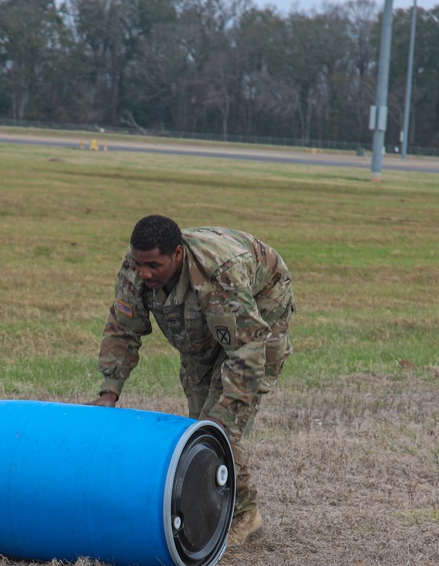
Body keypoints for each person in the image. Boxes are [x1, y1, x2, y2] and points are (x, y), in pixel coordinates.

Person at [90, 215, 296, 547]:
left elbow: (246, 348)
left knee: (220, 424)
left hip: (258, 310)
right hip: (201, 319)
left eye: (154, 265)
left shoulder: (220, 274)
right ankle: (210, 504)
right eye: (140, 264)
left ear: (176, 254)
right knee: (200, 418)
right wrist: (109, 391)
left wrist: (224, 413)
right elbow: (122, 328)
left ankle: (244, 514)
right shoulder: (135, 267)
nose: (145, 273)